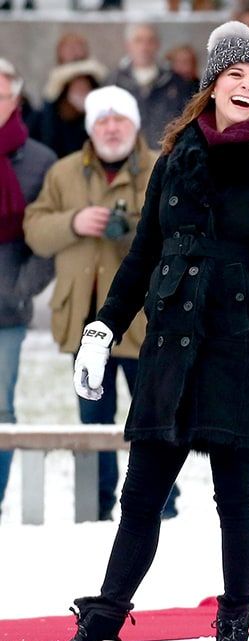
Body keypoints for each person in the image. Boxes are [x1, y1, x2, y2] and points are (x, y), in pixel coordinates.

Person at [27, 21, 249, 641]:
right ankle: (103, 627)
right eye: (237, 75)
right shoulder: (175, 157)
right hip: (170, 346)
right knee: (140, 497)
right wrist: (102, 330)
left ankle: (233, 629)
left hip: (239, 346)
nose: (248, 86)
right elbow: (141, 258)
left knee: (234, 498)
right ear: (213, 85)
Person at [23, 86, 157, 522]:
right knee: (92, 424)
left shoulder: (161, 168)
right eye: (103, 120)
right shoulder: (63, 174)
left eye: (120, 119)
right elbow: (35, 231)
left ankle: (159, 506)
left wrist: (132, 230)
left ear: (135, 125)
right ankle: (95, 507)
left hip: (145, 323)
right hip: (86, 325)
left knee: (152, 423)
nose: (112, 128)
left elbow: (180, 232)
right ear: (90, 127)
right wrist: (74, 222)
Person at [0, 58, 56, 519]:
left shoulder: (39, 159)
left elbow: (47, 237)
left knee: (1, 409)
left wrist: (23, 288)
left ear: (15, 99)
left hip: (6, 308)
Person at [103, 23, 196, 150]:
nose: (144, 47)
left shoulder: (175, 83)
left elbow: (187, 122)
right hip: (126, 158)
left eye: (150, 41)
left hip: (166, 156)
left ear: (158, 45)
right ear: (128, 46)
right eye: (138, 41)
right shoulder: (113, 82)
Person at [37, 58, 107, 158]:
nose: (82, 91)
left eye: (85, 87)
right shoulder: (54, 117)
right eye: (77, 88)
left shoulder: (100, 115)